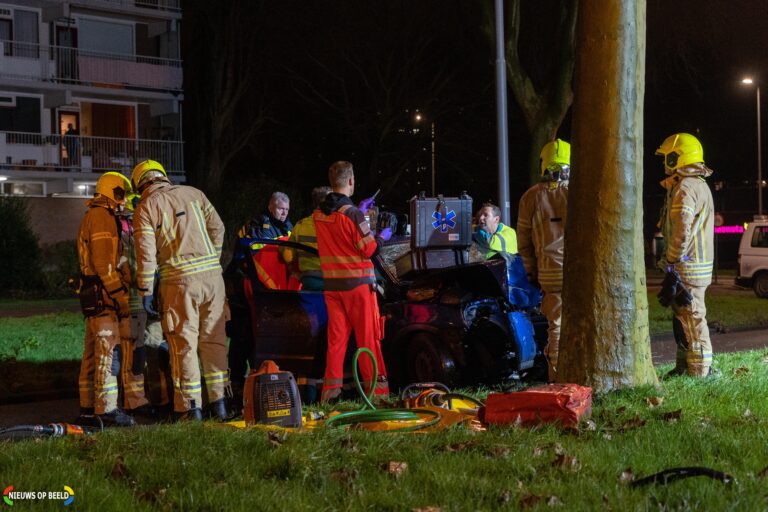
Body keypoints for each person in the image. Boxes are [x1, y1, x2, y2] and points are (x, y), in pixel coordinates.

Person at [131, 159, 230, 421]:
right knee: (214, 342)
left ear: (141, 185)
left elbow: (146, 255)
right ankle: (219, 405)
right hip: (213, 282)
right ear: (162, 176)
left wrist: (145, 290)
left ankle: (190, 409)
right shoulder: (195, 193)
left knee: (184, 345)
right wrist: (212, 261)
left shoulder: (146, 207)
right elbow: (218, 228)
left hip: (179, 284)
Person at [313, 161, 391, 402]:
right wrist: (382, 235)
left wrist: (357, 209)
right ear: (350, 181)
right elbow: (369, 250)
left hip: (333, 288)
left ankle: (331, 393)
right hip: (358, 287)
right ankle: (377, 395)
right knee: (369, 339)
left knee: (336, 343)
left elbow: (339, 227)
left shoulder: (319, 213)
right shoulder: (353, 215)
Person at [76, 171, 135, 427]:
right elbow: (103, 265)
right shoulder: (101, 217)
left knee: (92, 355)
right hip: (104, 297)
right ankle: (106, 410)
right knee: (107, 353)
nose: (123, 202)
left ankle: (88, 408)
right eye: (122, 195)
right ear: (114, 192)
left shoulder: (96, 215)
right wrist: (121, 296)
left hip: (94, 296)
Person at [655, 133, 715, 378]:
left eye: (667, 157)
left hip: (687, 267)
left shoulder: (685, 188)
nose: (664, 163)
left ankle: (701, 373)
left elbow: (681, 231)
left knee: (692, 320)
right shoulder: (697, 185)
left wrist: (670, 261)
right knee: (683, 320)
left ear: (677, 158)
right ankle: (684, 367)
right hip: (693, 266)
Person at [225, 191, 294, 401]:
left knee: (259, 338)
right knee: (242, 337)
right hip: (243, 288)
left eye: (286, 210)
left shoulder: (289, 228)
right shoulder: (256, 226)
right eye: (281, 209)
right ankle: (237, 383)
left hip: (266, 292)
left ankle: (259, 377)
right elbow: (250, 257)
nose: (283, 213)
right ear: (271, 207)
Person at [517, 138, 570, 382]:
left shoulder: (530, 197)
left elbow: (524, 242)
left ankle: (557, 378)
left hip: (549, 273)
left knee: (556, 326)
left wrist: (530, 273)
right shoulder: (578, 192)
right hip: (578, 271)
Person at [280, 186, 332, 291]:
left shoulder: (300, 225)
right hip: (332, 281)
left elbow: (288, 254)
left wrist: (292, 271)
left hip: (309, 281)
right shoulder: (335, 224)